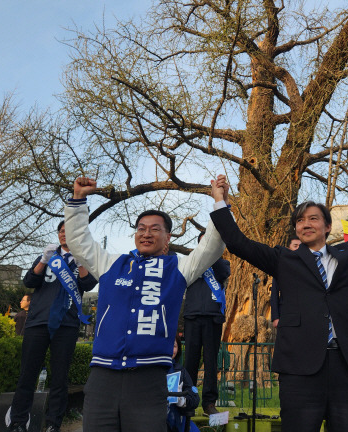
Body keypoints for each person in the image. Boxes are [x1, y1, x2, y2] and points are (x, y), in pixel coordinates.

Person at [209, 164, 348, 432]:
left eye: (313, 218)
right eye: (300, 221)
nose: (306, 224)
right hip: (300, 366)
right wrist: (219, 201)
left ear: (328, 226)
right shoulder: (284, 259)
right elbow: (238, 242)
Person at [64, 176, 226, 432]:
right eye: (141, 228)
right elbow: (79, 242)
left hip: (149, 379)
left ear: (167, 237)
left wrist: (219, 201)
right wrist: (78, 199)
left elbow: (213, 246)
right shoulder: (111, 264)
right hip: (102, 377)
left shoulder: (179, 268)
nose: (146, 233)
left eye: (154, 229)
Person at [8, 221, 98, 432]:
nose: (65, 235)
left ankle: (53, 424)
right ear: (58, 235)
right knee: (27, 374)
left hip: (66, 324)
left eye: (70, 231)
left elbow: (89, 285)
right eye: (61, 231)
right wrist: (43, 260)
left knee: (60, 377)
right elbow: (29, 282)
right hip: (38, 321)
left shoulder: (83, 258)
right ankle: (18, 422)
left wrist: (81, 262)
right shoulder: (48, 256)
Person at [183, 231, 230, 416]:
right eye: (204, 242)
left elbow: (223, 272)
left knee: (211, 362)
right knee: (190, 362)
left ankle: (209, 402)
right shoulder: (190, 263)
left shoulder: (222, 262)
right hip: (192, 316)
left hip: (212, 318)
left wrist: (213, 252)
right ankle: (188, 399)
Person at [167, 334, 200, 432]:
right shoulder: (149, 371)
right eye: (167, 345)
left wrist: (182, 401)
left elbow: (195, 398)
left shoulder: (180, 371)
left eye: (174, 346)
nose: (170, 349)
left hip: (177, 420)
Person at [270, 235, 301, 328]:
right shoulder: (280, 266)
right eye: (295, 246)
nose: (298, 249)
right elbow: (274, 293)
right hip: (286, 315)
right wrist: (275, 317)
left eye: (301, 246)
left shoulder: (309, 266)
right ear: (289, 248)